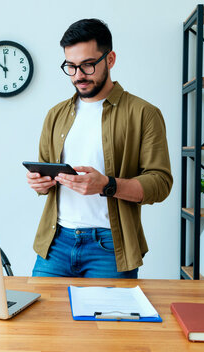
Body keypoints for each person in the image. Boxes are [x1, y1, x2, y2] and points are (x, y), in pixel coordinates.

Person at [27, 19, 172, 278]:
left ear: (110, 59)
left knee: (107, 320)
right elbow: (46, 172)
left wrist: (107, 184)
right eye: (70, 67)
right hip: (55, 242)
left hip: (109, 246)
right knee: (40, 318)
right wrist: (40, 184)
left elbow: (160, 183)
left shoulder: (144, 114)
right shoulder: (55, 115)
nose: (78, 75)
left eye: (88, 65)